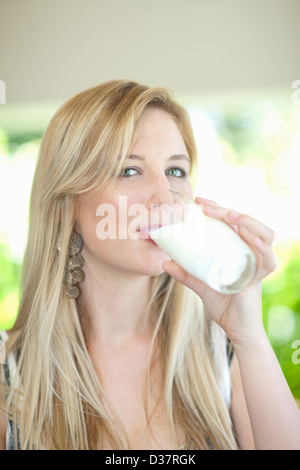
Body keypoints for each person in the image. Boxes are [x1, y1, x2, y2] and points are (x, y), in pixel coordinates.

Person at [0, 80, 299, 450]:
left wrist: (249, 336)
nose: (165, 195)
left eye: (175, 171)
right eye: (129, 170)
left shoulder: (224, 353)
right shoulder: (8, 375)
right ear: (67, 206)